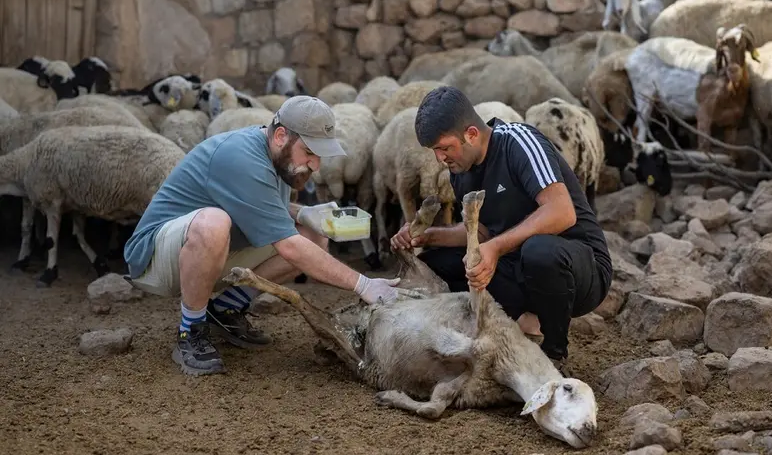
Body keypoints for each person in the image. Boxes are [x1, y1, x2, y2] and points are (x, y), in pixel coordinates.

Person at [124, 95, 407, 376]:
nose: (316, 165)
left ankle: (224, 309)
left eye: (319, 155)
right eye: (310, 152)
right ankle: (191, 332)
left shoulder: (274, 156)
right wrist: (363, 284)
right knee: (214, 223)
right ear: (281, 135)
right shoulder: (240, 156)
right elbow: (288, 247)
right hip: (156, 259)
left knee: (312, 234)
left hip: (206, 252)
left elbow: (264, 204)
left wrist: (302, 214)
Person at [390, 86, 612, 369]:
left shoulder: (518, 143)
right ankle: (514, 324)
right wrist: (426, 237)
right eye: (435, 151)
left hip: (580, 269)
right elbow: (482, 232)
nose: (440, 159)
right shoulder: (461, 171)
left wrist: (495, 247)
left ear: (471, 134)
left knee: (538, 251)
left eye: (445, 148)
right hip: (518, 267)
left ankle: (554, 354)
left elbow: (562, 212)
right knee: (434, 264)